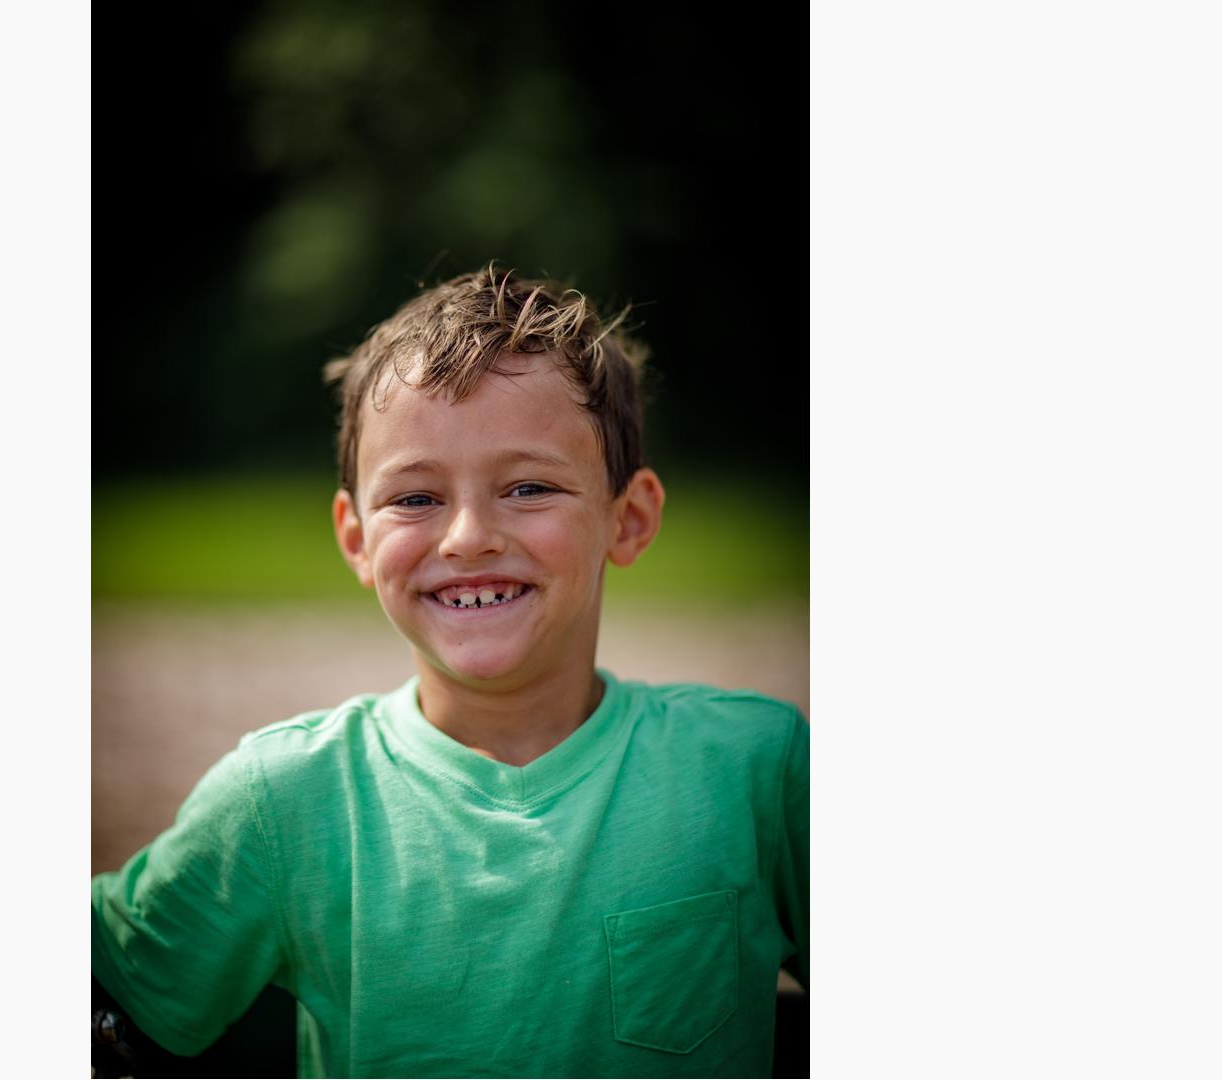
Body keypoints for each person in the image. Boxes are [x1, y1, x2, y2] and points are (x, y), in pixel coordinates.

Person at [91, 264, 808, 1078]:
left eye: (529, 486)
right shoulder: (285, 800)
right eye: (415, 498)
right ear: (356, 537)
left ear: (629, 518)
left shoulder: (755, 773)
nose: (468, 536)